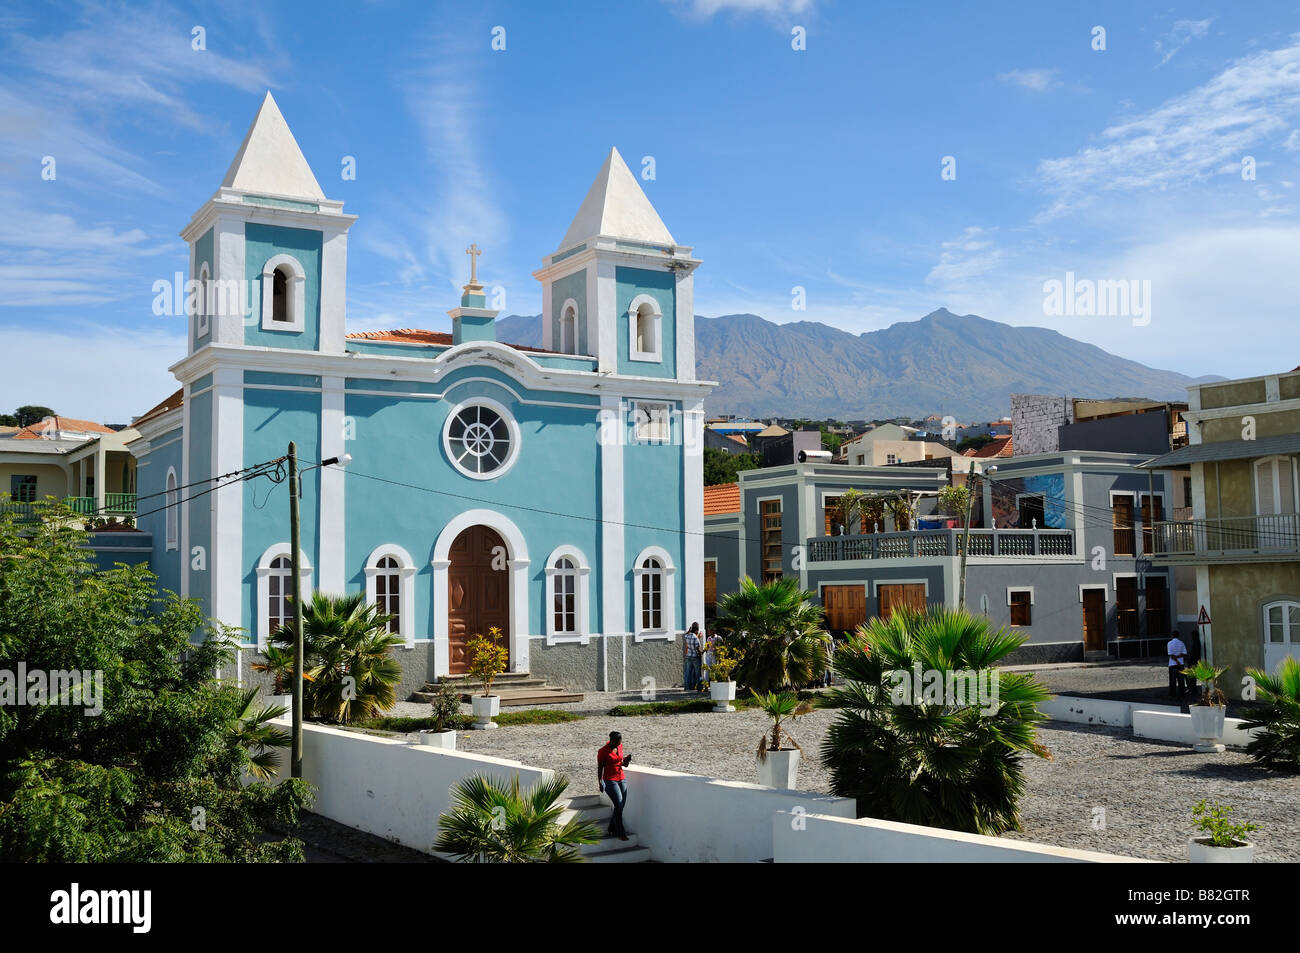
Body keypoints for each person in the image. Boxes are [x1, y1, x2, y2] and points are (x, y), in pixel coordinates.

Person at [597, 730, 632, 840]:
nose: (618, 743)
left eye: (619, 741)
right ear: (611, 740)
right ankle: (620, 831)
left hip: (621, 778)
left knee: (620, 806)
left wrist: (626, 760)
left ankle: (612, 827)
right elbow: (600, 767)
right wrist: (600, 782)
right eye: (616, 741)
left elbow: (623, 764)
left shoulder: (620, 746)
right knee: (619, 803)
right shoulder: (603, 751)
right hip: (610, 780)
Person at [1167, 629, 1189, 699]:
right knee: (1181, 680)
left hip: (1172, 664)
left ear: (1172, 635)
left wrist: (1176, 660)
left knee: (1172, 681)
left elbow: (1170, 654)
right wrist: (1178, 660)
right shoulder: (1182, 643)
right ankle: (1182, 693)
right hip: (1181, 664)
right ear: (1178, 636)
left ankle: (1172, 694)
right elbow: (1184, 653)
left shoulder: (1169, 643)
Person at [683, 621, 703, 692]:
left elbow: (686, 634)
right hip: (695, 657)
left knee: (688, 672)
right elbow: (697, 649)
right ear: (697, 630)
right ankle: (699, 687)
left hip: (688, 656)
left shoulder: (687, 636)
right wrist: (701, 653)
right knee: (698, 673)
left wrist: (689, 630)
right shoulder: (696, 638)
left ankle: (687, 687)